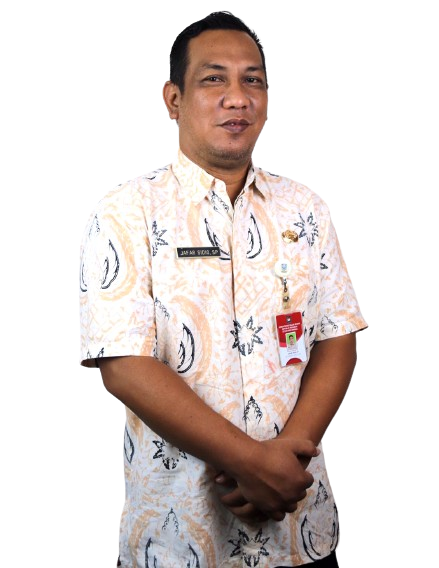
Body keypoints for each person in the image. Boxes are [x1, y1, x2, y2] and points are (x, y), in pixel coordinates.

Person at [79, 11, 367, 568]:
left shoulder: (305, 209)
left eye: (252, 80)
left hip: (299, 530)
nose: (238, 97)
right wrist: (250, 464)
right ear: (174, 99)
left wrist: (283, 464)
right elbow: (125, 366)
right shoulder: (127, 211)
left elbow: (337, 340)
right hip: (179, 541)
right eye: (214, 79)